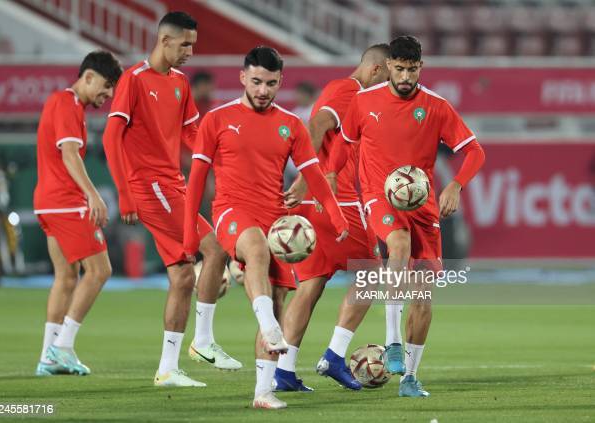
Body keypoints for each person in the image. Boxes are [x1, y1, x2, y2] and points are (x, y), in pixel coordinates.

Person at [317, 35, 485, 397]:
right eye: (400, 68)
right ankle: (392, 340)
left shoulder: (436, 106)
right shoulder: (364, 101)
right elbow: (345, 143)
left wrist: (455, 184)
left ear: (420, 67)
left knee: (423, 298)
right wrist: (330, 175)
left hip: (422, 205)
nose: (406, 75)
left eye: (412, 69)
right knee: (398, 244)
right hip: (380, 196)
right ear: (389, 66)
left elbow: (475, 152)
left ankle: (409, 377)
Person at [183, 46, 349, 409]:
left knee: (277, 300)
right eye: (256, 81)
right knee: (256, 249)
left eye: (271, 83)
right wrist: (187, 234)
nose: (263, 90)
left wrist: (336, 216)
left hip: (276, 218)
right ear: (243, 77)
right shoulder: (217, 119)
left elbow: (314, 177)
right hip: (231, 211)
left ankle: (262, 392)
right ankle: (270, 327)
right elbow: (196, 179)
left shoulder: (291, 125)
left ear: (280, 82)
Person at [102, 11, 241, 388]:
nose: (190, 52)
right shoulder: (133, 80)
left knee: (182, 277)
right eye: (185, 44)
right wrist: (124, 191)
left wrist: (221, 161)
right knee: (215, 248)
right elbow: (111, 137)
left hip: (172, 185)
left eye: (192, 45)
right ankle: (204, 340)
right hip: (149, 187)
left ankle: (168, 368)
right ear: (164, 41)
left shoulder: (179, 83)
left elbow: (191, 132)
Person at [277, 44, 398, 392]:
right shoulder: (348, 91)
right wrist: (303, 178)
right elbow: (315, 125)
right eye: (388, 77)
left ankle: (283, 371)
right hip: (337, 200)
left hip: (318, 200)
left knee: (311, 285)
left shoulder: (348, 93)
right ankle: (335, 354)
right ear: (376, 70)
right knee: (372, 274)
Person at [33, 50, 122, 376]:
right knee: (100, 271)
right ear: (87, 77)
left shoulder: (64, 104)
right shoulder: (68, 104)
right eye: (106, 85)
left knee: (67, 277)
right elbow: (69, 153)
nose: (109, 94)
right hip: (66, 202)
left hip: (47, 202)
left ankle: (47, 357)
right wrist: (93, 195)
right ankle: (63, 346)